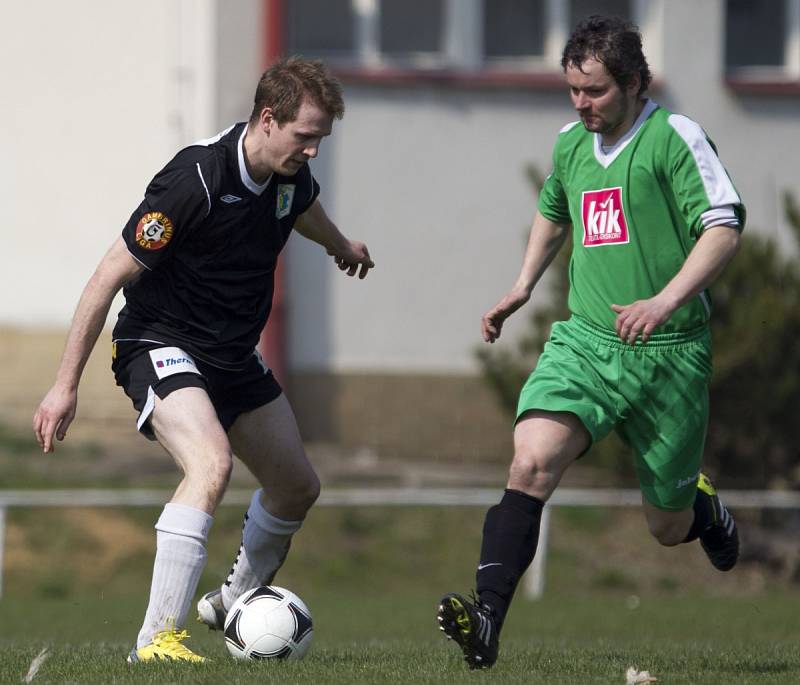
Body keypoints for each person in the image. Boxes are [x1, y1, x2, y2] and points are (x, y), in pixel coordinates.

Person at [32, 57, 373, 663]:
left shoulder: (291, 177)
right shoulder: (194, 181)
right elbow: (106, 278)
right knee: (210, 463)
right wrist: (64, 386)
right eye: (305, 136)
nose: (314, 150)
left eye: (322, 138)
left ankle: (232, 602)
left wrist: (340, 244)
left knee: (297, 487)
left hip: (231, 357)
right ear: (268, 120)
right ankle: (156, 641)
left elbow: (303, 207)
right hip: (157, 343)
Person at [437, 16, 742, 670]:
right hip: (586, 345)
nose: (582, 103)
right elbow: (555, 208)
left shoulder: (674, 138)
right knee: (531, 461)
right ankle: (487, 617)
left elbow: (723, 227)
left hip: (671, 356)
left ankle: (704, 510)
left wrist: (664, 302)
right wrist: (522, 285)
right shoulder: (572, 144)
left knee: (665, 527)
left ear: (637, 82)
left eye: (596, 91)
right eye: (573, 89)